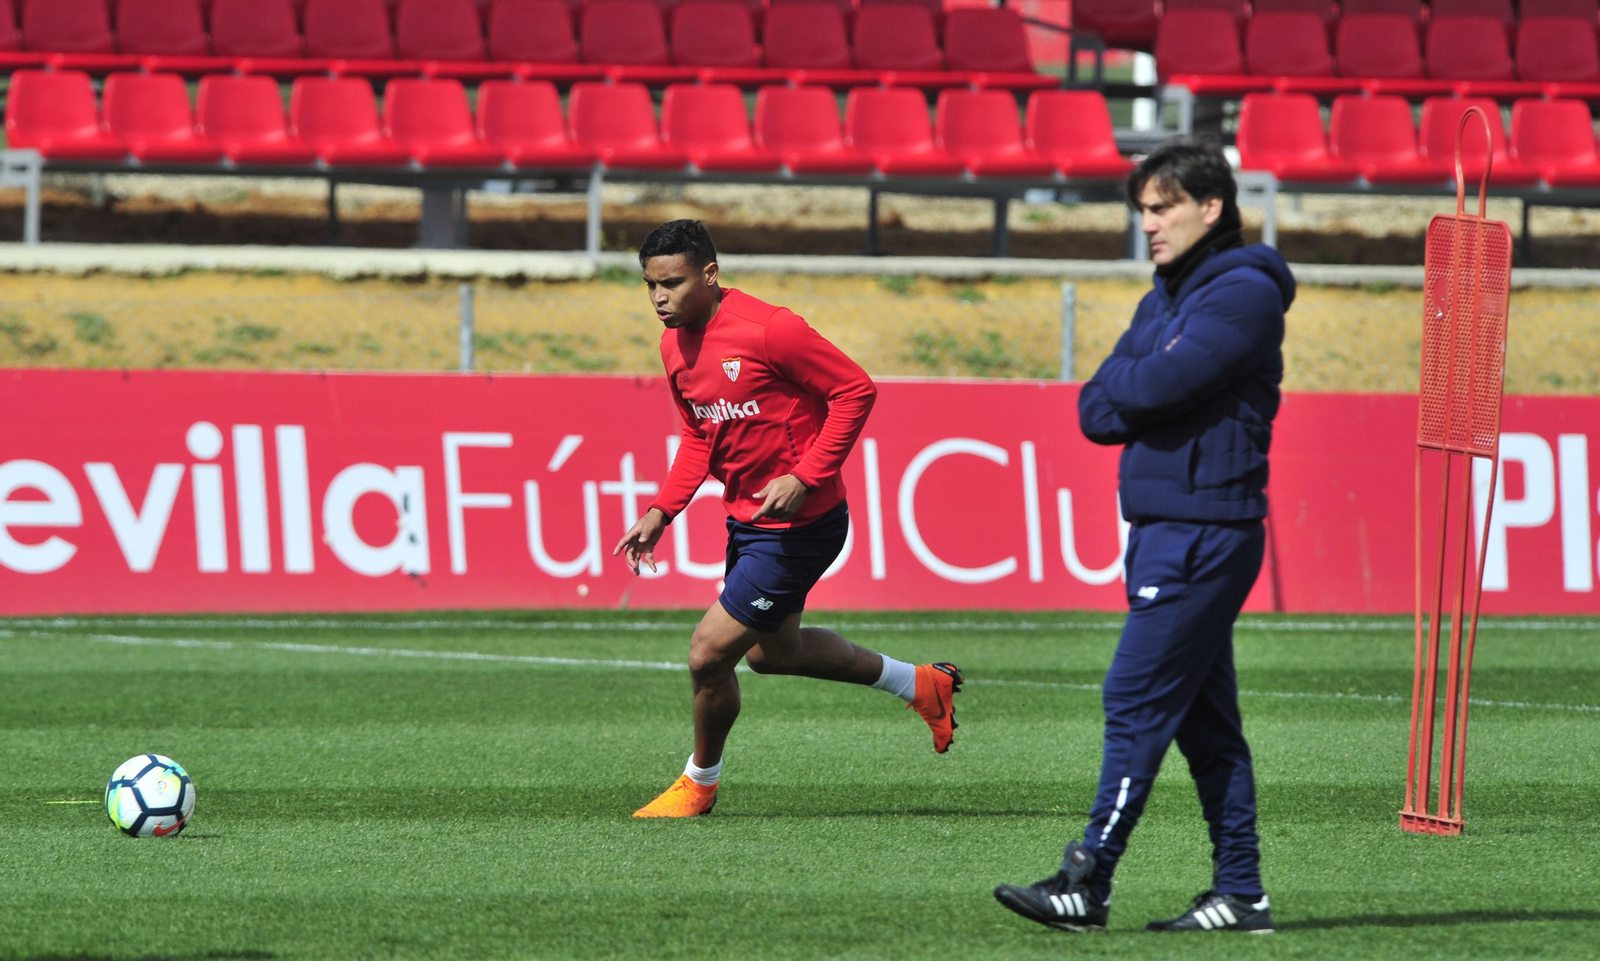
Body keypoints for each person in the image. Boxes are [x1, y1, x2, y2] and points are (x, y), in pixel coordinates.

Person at [993, 137, 1294, 934]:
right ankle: (1243, 893)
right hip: (1167, 526)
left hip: (1205, 528)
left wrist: (1141, 384)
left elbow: (1155, 381)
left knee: (1132, 695)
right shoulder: (1164, 296)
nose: (1149, 225)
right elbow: (1096, 409)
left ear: (1211, 207)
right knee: (1205, 724)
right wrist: (1142, 383)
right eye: (1143, 211)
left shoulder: (1243, 291)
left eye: (1162, 208)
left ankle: (1086, 878)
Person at [614, 219, 963, 819]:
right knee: (774, 654)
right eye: (649, 285)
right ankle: (921, 684)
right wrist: (661, 510)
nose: (658, 298)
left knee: (708, 655)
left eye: (670, 283)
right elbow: (701, 434)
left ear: (710, 274)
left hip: (800, 526)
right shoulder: (674, 344)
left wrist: (805, 475)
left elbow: (855, 391)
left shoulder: (772, 329)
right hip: (748, 522)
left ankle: (698, 783)